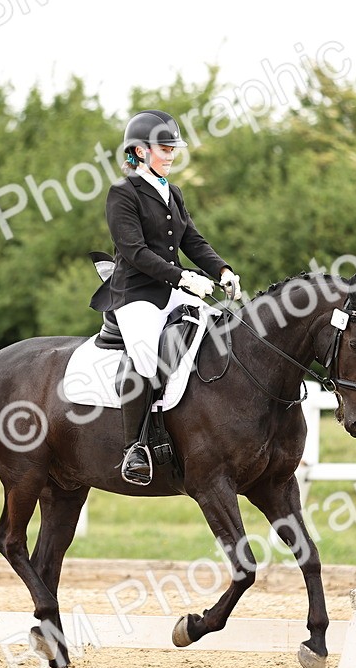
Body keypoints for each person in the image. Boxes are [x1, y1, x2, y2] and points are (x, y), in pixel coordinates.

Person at [90, 109, 242, 485]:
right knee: (146, 356)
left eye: (174, 148)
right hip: (135, 294)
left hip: (171, 289)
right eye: (165, 148)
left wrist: (222, 270)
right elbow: (135, 251)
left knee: (219, 328)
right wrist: (184, 277)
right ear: (140, 152)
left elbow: (192, 240)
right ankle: (134, 448)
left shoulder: (172, 191)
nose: (172, 154)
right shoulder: (122, 193)